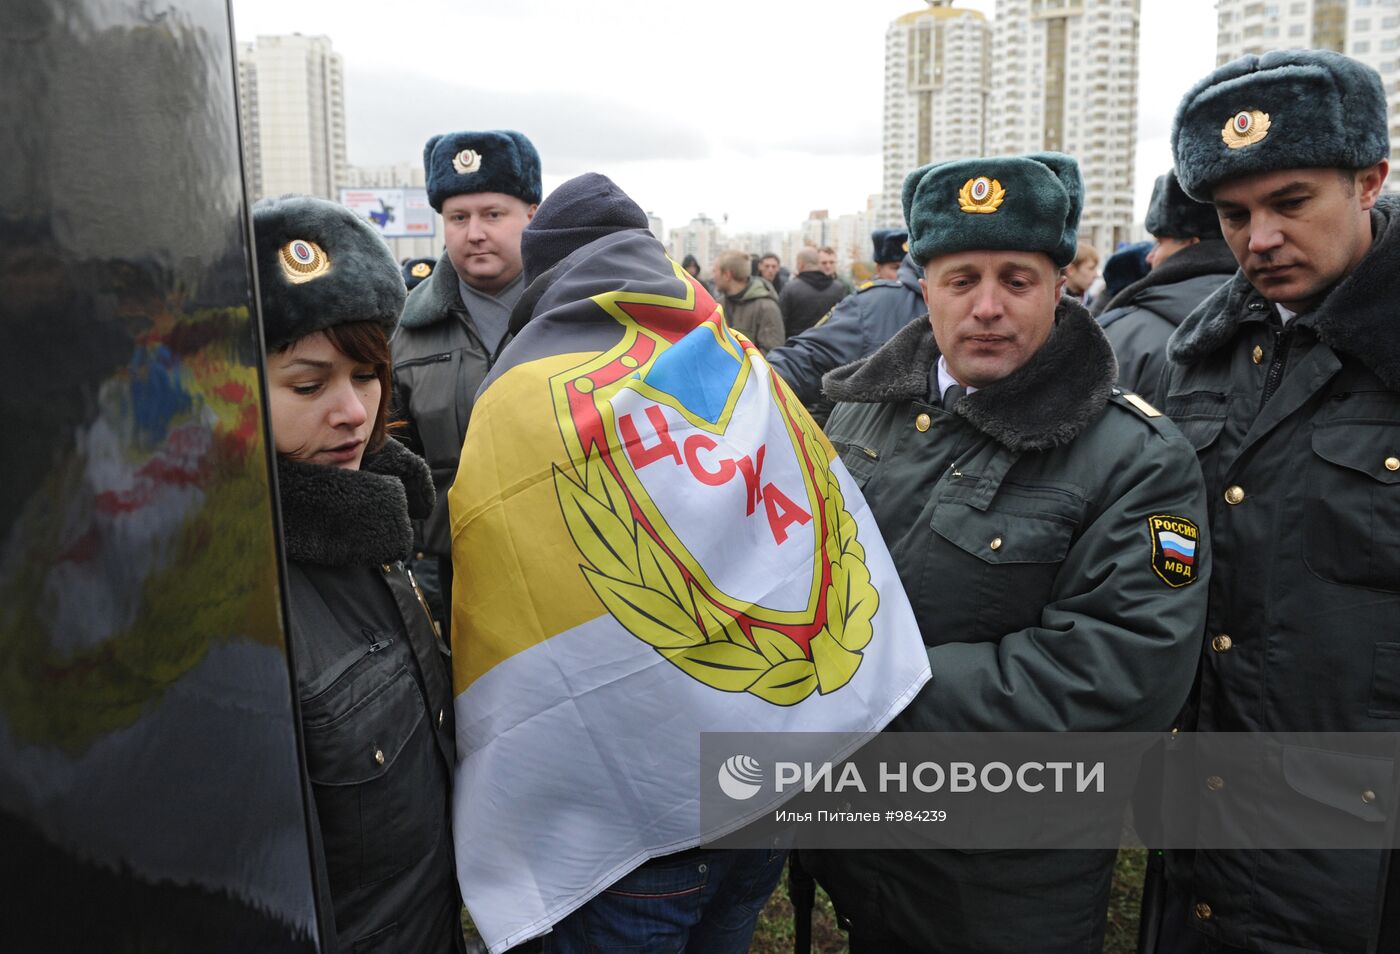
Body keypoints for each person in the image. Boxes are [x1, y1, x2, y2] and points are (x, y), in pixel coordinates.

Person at [799, 152, 1210, 952]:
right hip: (864, 847)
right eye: (961, 280)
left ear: (1060, 286)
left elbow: (1115, 677)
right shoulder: (858, 416)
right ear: (925, 289)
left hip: (1002, 883)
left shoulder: (1137, 459)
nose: (987, 307)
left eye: (1016, 281)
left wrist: (854, 689)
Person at [1150, 49, 1397, 954]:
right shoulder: (1202, 354)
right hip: (1209, 824)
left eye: (1292, 203)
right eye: (1234, 215)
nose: (1258, 239)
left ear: (1369, 181)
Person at [253, 194, 461, 953]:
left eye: (368, 375)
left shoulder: (373, 516)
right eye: (309, 386)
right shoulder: (242, 594)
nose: (352, 412)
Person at [390, 129, 541, 634]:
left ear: (532, 216)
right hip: (454, 589)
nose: (474, 232)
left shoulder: (578, 315)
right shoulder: (404, 335)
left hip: (579, 577)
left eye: (492, 214)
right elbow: (392, 472)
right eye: (458, 218)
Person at [1096, 171, 1237, 404]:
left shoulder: (1124, 331)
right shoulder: (1280, 318)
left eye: (1159, 243)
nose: (1150, 257)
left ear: (1192, 244)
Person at [766, 230, 924, 424]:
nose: (899, 276)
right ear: (879, 268)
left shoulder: (842, 288)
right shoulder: (870, 304)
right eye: (894, 267)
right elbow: (810, 354)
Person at [711, 249, 784, 352]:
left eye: (715, 271)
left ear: (727, 275)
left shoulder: (767, 308)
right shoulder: (718, 306)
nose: (713, 277)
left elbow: (772, 353)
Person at [778, 246, 848, 338]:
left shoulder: (790, 288)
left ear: (801, 264)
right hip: (828, 344)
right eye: (824, 263)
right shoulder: (838, 288)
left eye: (831, 262)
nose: (828, 266)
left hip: (796, 344)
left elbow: (780, 322)